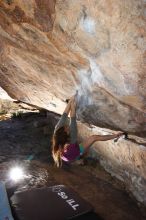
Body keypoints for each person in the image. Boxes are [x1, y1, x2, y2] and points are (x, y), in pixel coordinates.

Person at [52, 96, 124, 167]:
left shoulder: (58, 128)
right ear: (67, 134)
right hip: (74, 153)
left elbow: (66, 114)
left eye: (66, 127)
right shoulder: (72, 140)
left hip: (66, 150)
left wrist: (71, 101)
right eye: (67, 129)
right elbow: (73, 117)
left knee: (71, 111)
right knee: (94, 138)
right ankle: (116, 136)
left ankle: (72, 103)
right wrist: (114, 135)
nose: (68, 127)